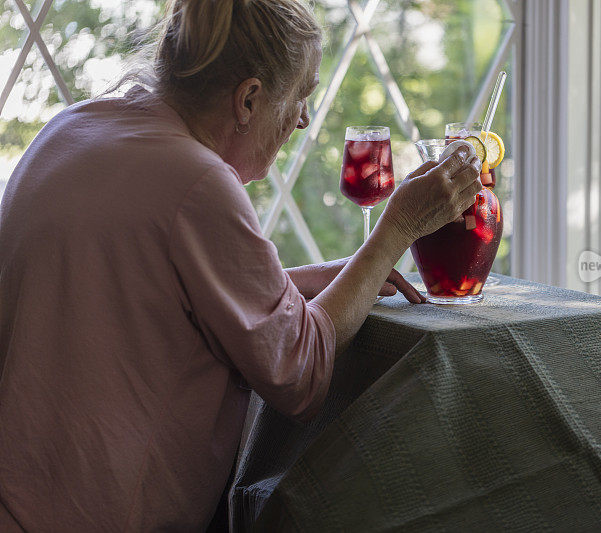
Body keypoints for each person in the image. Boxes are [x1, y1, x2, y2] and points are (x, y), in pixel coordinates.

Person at [0, 0, 482, 530]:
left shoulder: (70, 130)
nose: (302, 118)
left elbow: (149, 297)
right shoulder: (194, 180)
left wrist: (306, 281)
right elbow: (299, 373)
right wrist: (397, 231)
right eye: (300, 96)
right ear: (249, 99)